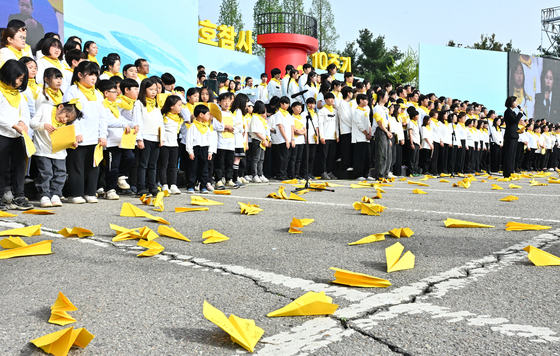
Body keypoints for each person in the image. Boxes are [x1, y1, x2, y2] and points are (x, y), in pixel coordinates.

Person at [30, 101, 82, 207]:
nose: (65, 120)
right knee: (45, 173)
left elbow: (68, 135)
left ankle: (55, 194)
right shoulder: (45, 108)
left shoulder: (64, 122)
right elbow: (32, 124)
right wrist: (43, 125)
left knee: (60, 173)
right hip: (43, 149)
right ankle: (44, 195)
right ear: (60, 107)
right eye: (66, 116)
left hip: (59, 151)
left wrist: (73, 142)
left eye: (68, 120)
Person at [0, 60, 34, 210]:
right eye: (18, 79)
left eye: (22, 80)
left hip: (17, 136)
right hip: (2, 135)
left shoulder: (19, 95)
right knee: (1, 168)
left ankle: (19, 195)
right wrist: (13, 125)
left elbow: (24, 113)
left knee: (20, 166)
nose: (20, 83)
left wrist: (22, 123)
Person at [133, 77, 164, 196]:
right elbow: (137, 121)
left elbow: (160, 122)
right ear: (144, 89)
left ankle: (152, 186)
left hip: (155, 138)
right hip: (145, 137)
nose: (153, 92)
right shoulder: (139, 103)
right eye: (150, 89)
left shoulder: (156, 105)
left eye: (155, 90)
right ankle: (141, 187)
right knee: (143, 164)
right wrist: (139, 138)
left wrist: (162, 138)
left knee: (153, 165)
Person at [185, 105, 216, 194]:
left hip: (205, 149)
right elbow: (189, 140)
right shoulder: (193, 126)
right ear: (201, 115)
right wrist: (190, 151)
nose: (209, 116)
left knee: (204, 169)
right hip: (195, 149)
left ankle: (203, 186)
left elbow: (210, 141)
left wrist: (210, 152)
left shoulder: (207, 127)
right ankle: (191, 186)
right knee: (193, 168)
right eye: (208, 114)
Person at [158, 95, 182, 194]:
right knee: (163, 165)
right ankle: (164, 184)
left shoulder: (179, 118)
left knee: (173, 165)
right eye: (179, 105)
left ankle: (173, 184)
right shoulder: (163, 116)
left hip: (174, 144)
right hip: (164, 144)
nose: (181, 107)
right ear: (171, 106)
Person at [214, 92, 236, 190]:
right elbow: (216, 126)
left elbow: (238, 127)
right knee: (220, 163)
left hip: (230, 143)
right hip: (221, 143)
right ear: (219, 102)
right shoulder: (218, 114)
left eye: (229, 101)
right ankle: (218, 180)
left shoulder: (232, 114)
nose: (227, 104)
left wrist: (233, 128)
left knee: (229, 163)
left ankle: (229, 179)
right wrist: (225, 127)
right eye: (224, 101)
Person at [372, 89, 392, 179]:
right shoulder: (377, 108)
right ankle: (380, 174)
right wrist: (386, 131)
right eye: (386, 95)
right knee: (381, 154)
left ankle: (385, 174)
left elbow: (387, 121)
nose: (388, 97)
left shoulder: (385, 109)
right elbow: (379, 121)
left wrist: (389, 131)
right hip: (381, 131)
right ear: (381, 97)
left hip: (387, 131)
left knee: (388, 154)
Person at [318, 92, 338, 180]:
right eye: (329, 98)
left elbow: (337, 124)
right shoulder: (322, 111)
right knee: (324, 156)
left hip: (333, 137)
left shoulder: (335, 111)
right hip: (325, 137)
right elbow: (320, 124)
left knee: (331, 156)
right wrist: (321, 136)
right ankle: (323, 172)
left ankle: (330, 172)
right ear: (325, 100)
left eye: (333, 98)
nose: (331, 100)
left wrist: (337, 135)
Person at [503, 96, 525, 177]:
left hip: (514, 135)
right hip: (510, 136)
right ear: (511, 102)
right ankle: (507, 172)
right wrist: (521, 113)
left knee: (513, 155)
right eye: (515, 101)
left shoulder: (512, 112)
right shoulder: (508, 112)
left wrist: (519, 130)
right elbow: (515, 121)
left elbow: (514, 124)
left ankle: (511, 170)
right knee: (509, 154)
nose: (516, 103)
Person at [351, 94, 372, 180]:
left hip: (366, 138)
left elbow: (369, 123)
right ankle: (358, 175)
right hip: (359, 138)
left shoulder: (365, 110)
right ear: (360, 100)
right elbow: (360, 125)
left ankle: (365, 174)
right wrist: (367, 133)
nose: (367, 102)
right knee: (360, 157)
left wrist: (370, 133)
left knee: (367, 157)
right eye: (365, 100)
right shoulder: (357, 112)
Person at [249, 100, 270, 183]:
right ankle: (255, 175)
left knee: (261, 159)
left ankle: (260, 174)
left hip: (262, 140)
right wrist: (264, 139)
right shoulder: (254, 117)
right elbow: (255, 131)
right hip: (257, 140)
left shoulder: (260, 118)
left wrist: (266, 139)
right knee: (256, 158)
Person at [301, 97, 319, 180]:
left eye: (313, 104)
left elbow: (317, 127)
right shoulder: (304, 114)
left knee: (312, 157)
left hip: (313, 138)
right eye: (310, 103)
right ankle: (305, 173)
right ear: (307, 104)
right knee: (306, 157)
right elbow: (303, 126)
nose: (311, 105)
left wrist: (317, 137)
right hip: (307, 138)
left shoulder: (315, 114)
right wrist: (306, 136)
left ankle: (311, 173)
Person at [338, 86, 353, 172]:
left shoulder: (348, 103)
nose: (352, 94)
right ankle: (345, 166)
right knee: (345, 148)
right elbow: (344, 117)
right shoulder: (342, 103)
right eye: (351, 92)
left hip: (350, 129)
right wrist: (352, 125)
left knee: (349, 148)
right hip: (345, 129)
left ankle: (349, 164)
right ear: (348, 93)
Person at [407, 108, 421, 176]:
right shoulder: (410, 123)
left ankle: (415, 171)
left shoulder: (416, 123)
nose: (418, 117)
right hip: (413, 142)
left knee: (416, 158)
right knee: (412, 158)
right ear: (413, 116)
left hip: (417, 142)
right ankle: (411, 171)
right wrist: (411, 143)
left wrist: (420, 143)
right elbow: (410, 133)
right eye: (417, 115)